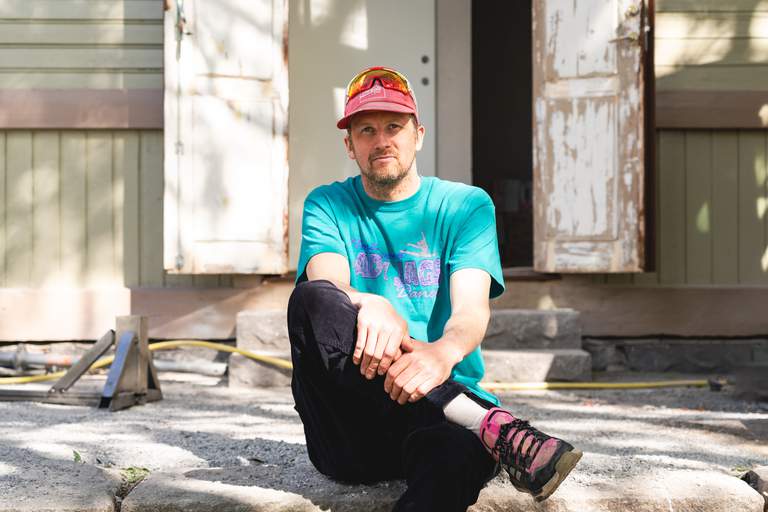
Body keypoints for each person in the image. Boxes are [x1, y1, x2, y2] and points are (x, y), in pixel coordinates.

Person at [288, 66, 581, 511]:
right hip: (352, 425)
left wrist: (440, 354)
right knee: (311, 299)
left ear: (418, 135)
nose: (382, 139)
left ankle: (471, 422)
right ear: (350, 145)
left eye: (394, 126)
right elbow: (327, 283)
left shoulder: (466, 205)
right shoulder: (327, 204)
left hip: (441, 424)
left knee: (453, 459)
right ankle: (490, 424)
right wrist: (372, 303)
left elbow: (470, 313)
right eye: (366, 130)